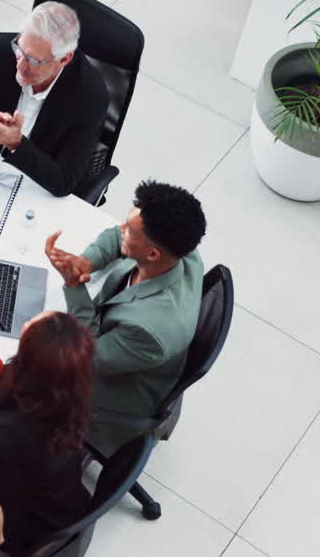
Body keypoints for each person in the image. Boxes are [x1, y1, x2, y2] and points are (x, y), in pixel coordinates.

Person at [45, 179, 206, 435]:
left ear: (152, 254)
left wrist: (74, 285)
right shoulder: (179, 248)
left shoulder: (150, 330)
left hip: (111, 393)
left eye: (129, 230)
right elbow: (115, 236)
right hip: (122, 349)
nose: (121, 229)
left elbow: (87, 355)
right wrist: (86, 262)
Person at [0, 304, 95, 557]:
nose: (26, 324)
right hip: (56, 501)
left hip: (21, 529)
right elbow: (2, 385)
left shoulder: (19, 430)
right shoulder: (67, 390)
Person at [0, 1, 107, 198]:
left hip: (36, 187)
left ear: (64, 59)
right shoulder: (2, 49)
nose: (20, 65)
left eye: (34, 60)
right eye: (20, 50)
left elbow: (64, 181)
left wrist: (16, 143)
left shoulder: (91, 97)